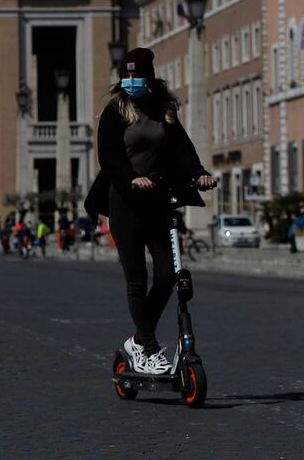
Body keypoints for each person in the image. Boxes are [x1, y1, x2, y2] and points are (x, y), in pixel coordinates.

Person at [85, 47, 215, 377]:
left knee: (168, 275)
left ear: (150, 77)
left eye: (136, 75)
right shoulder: (115, 111)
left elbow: (182, 148)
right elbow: (109, 157)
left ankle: (138, 341)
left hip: (157, 200)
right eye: (125, 76)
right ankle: (149, 349)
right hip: (125, 201)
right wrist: (132, 178)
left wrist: (198, 173)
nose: (130, 81)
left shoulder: (163, 111)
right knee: (136, 279)